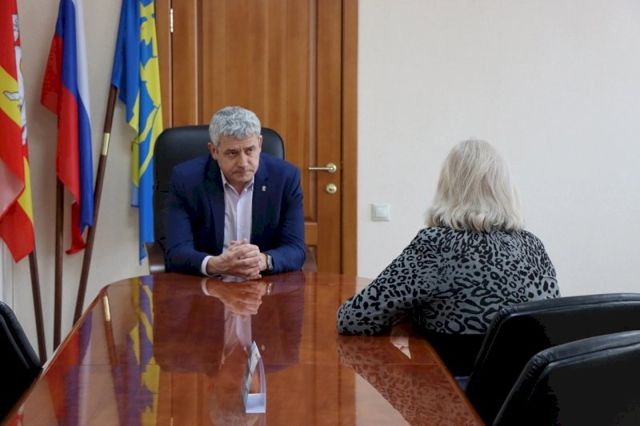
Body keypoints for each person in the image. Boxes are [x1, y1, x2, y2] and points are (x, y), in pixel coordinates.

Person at [336, 139, 559, 375]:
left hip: (449, 391)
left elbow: (353, 319)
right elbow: (549, 322)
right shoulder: (533, 245)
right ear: (505, 188)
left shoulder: (436, 244)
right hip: (522, 392)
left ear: (449, 187)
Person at [164, 106, 305, 278]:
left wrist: (262, 260)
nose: (243, 163)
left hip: (263, 283)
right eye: (232, 153)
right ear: (214, 151)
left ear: (260, 144)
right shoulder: (187, 180)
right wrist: (215, 264)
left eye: (250, 150)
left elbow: (295, 249)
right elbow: (176, 251)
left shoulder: (285, 178)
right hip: (208, 284)